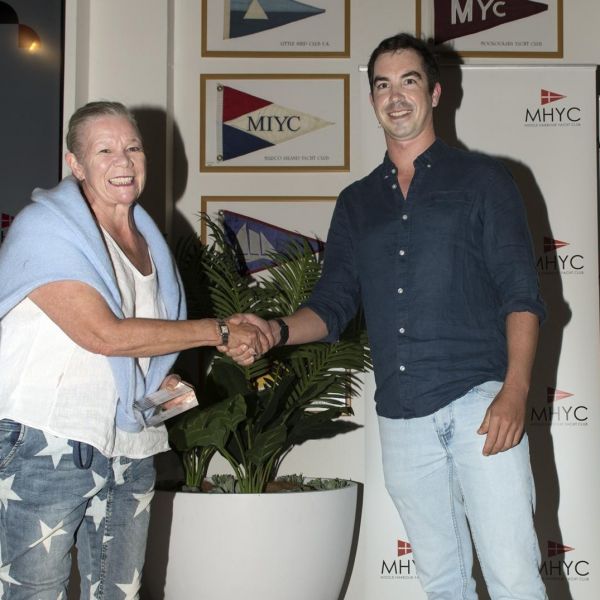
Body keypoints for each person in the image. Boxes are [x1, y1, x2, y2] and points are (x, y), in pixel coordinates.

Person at [229, 34, 548, 599]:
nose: (395, 96)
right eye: (382, 84)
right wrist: (275, 330)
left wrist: (516, 391)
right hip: (402, 417)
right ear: (372, 98)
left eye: (409, 81)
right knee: (443, 583)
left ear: (436, 93)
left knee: (514, 578)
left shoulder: (484, 181)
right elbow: (333, 304)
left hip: (481, 404)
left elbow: (520, 293)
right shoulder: (356, 203)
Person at [0, 101, 271, 599]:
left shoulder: (151, 243)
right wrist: (219, 332)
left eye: (133, 147)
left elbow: (134, 354)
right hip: (47, 438)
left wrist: (162, 384)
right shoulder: (46, 228)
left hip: (129, 445)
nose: (122, 160)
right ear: (76, 164)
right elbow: (103, 335)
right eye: (104, 150)